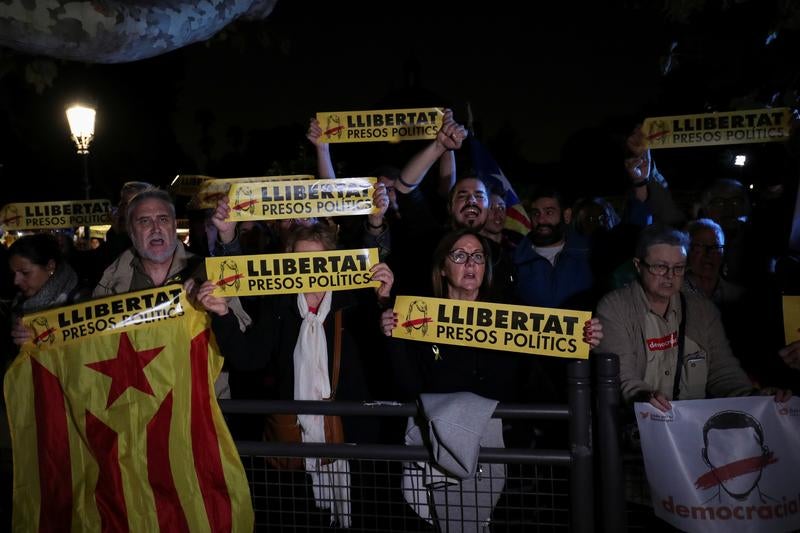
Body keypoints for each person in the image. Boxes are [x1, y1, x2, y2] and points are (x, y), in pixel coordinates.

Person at [191, 222, 394, 528]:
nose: (310, 268)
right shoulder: (279, 306)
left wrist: (383, 300)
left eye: (318, 260)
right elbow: (249, 358)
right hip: (293, 449)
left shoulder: (356, 303)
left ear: (334, 262)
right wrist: (222, 315)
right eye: (300, 261)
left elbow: (383, 358)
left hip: (354, 445)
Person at [380, 228, 603, 401]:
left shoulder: (511, 315)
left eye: (478, 256)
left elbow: (543, 368)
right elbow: (407, 386)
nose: (470, 263)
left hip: (502, 435)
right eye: (460, 255)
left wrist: (580, 337)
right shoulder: (417, 317)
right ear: (442, 268)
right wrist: (393, 335)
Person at [595, 224, 791, 412]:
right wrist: (645, 398)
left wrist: (755, 397)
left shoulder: (703, 310)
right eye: (660, 267)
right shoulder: (614, 309)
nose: (670, 275)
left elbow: (723, 371)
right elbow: (622, 376)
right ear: (638, 266)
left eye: (678, 268)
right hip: (638, 424)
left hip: (691, 425)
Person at [7, 233, 88, 349]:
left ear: (50, 266)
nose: (16, 281)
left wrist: (42, 337)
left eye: (25, 273)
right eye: (13, 273)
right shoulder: (17, 303)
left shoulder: (82, 301)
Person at [684, 218, 744, 305]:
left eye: (716, 247)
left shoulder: (736, 296)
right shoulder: (674, 293)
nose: (708, 254)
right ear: (688, 250)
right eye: (700, 246)